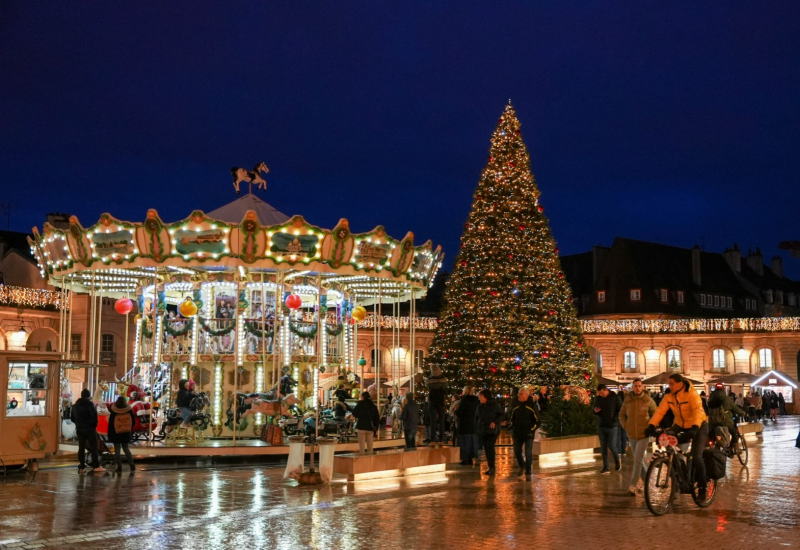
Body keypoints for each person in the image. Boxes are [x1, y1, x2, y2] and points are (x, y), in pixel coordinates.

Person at [645, 374, 710, 500]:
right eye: (669, 384)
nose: (669, 386)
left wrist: (695, 427)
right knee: (669, 446)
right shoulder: (669, 396)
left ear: (680, 384)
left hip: (699, 425)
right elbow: (660, 411)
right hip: (680, 425)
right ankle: (680, 476)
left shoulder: (692, 394)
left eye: (672, 384)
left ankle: (703, 487)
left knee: (697, 456)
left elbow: (698, 410)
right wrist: (651, 425)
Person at [619, 378, 656, 495]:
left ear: (643, 387)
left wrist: (650, 427)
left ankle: (633, 485)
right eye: (635, 386)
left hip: (643, 434)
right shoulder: (628, 400)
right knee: (638, 460)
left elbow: (655, 415)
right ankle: (646, 483)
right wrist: (626, 426)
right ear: (633, 387)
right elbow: (621, 415)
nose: (638, 388)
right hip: (631, 434)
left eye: (639, 386)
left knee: (637, 460)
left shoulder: (648, 400)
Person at [508, 387, 539, 480]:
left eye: (521, 394)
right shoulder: (516, 405)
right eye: (518, 394)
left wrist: (531, 430)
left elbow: (538, 421)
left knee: (528, 452)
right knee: (517, 451)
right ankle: (522, 465)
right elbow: (512, 418)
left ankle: (528, 472)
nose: (518, 395)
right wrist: (511, 427)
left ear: (526, 395)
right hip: (517, 432)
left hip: (528, 433)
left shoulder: (532, 406)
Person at [70, 389, 105, 473]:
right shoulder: (89, 404)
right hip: (89, 428)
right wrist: (94, 425)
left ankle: (82, 466)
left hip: (79, 429)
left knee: (81, 447)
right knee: (93, 447)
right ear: (89, 396)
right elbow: (94, 415)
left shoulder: (75, 406)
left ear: (81, 395)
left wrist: (78, 424)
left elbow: (72, 418)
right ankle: (96, 465)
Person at [707, 383, 746, 455]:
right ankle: (732, 449)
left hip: (713, 423)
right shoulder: (726, 399)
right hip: (725, 422)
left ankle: (710, 444)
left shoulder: (710, 399)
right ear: (723, 389)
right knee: (734, 434)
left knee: (711, 434)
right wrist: (743, 413)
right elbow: (735, 408)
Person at [593, 384, 622, 474]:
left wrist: (615, 418)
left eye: (602, 393)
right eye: (600, 394)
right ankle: (606, 467)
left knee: (612, 445)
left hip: (612, 425)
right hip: (602, 425)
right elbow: (594, 409)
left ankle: (617, 460)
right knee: (603, 447)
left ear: (606, 390)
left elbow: (621, 409)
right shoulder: (598, 398)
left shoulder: (615, 397)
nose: (601, 395)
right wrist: (595, 411)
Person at [476, 389, 504, 475]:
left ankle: (492, 467)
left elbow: (502, 414)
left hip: (492, 430)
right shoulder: (480, 406)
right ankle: (490, 467)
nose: (479, 398)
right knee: (487, 448)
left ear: (485, 397)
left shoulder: (494, 405)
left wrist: (494, 422)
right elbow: (477, 417)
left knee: (490, 446)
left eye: (480, 396)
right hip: (483, 429)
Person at [108, 395, 136, 473]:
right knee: (126, 448)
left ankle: (119, 467)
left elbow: (111, 423)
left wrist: (110, 433)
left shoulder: (113, 410)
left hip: (115, 432)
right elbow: (133, 421)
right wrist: (129, 428)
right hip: (126, 432)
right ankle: (132, 465)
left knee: (117, 450)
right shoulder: (129, 409)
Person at [425, 366, 448, 447]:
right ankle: (441, 441)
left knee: (433, 422)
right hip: (441, 402)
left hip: (432, 402)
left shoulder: (429, 381)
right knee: (441, 422)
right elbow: (445, 387)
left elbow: (428, 387)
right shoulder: (444, 381)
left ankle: (433, 441)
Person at [456, 386, 480, 465]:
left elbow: (460, 413)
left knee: (464, 442)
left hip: (464, 424)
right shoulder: (476, 400)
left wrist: (456, 410)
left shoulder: (464, 400)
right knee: (471, 441)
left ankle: (464, 458)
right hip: (473, 424)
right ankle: (470, 458)